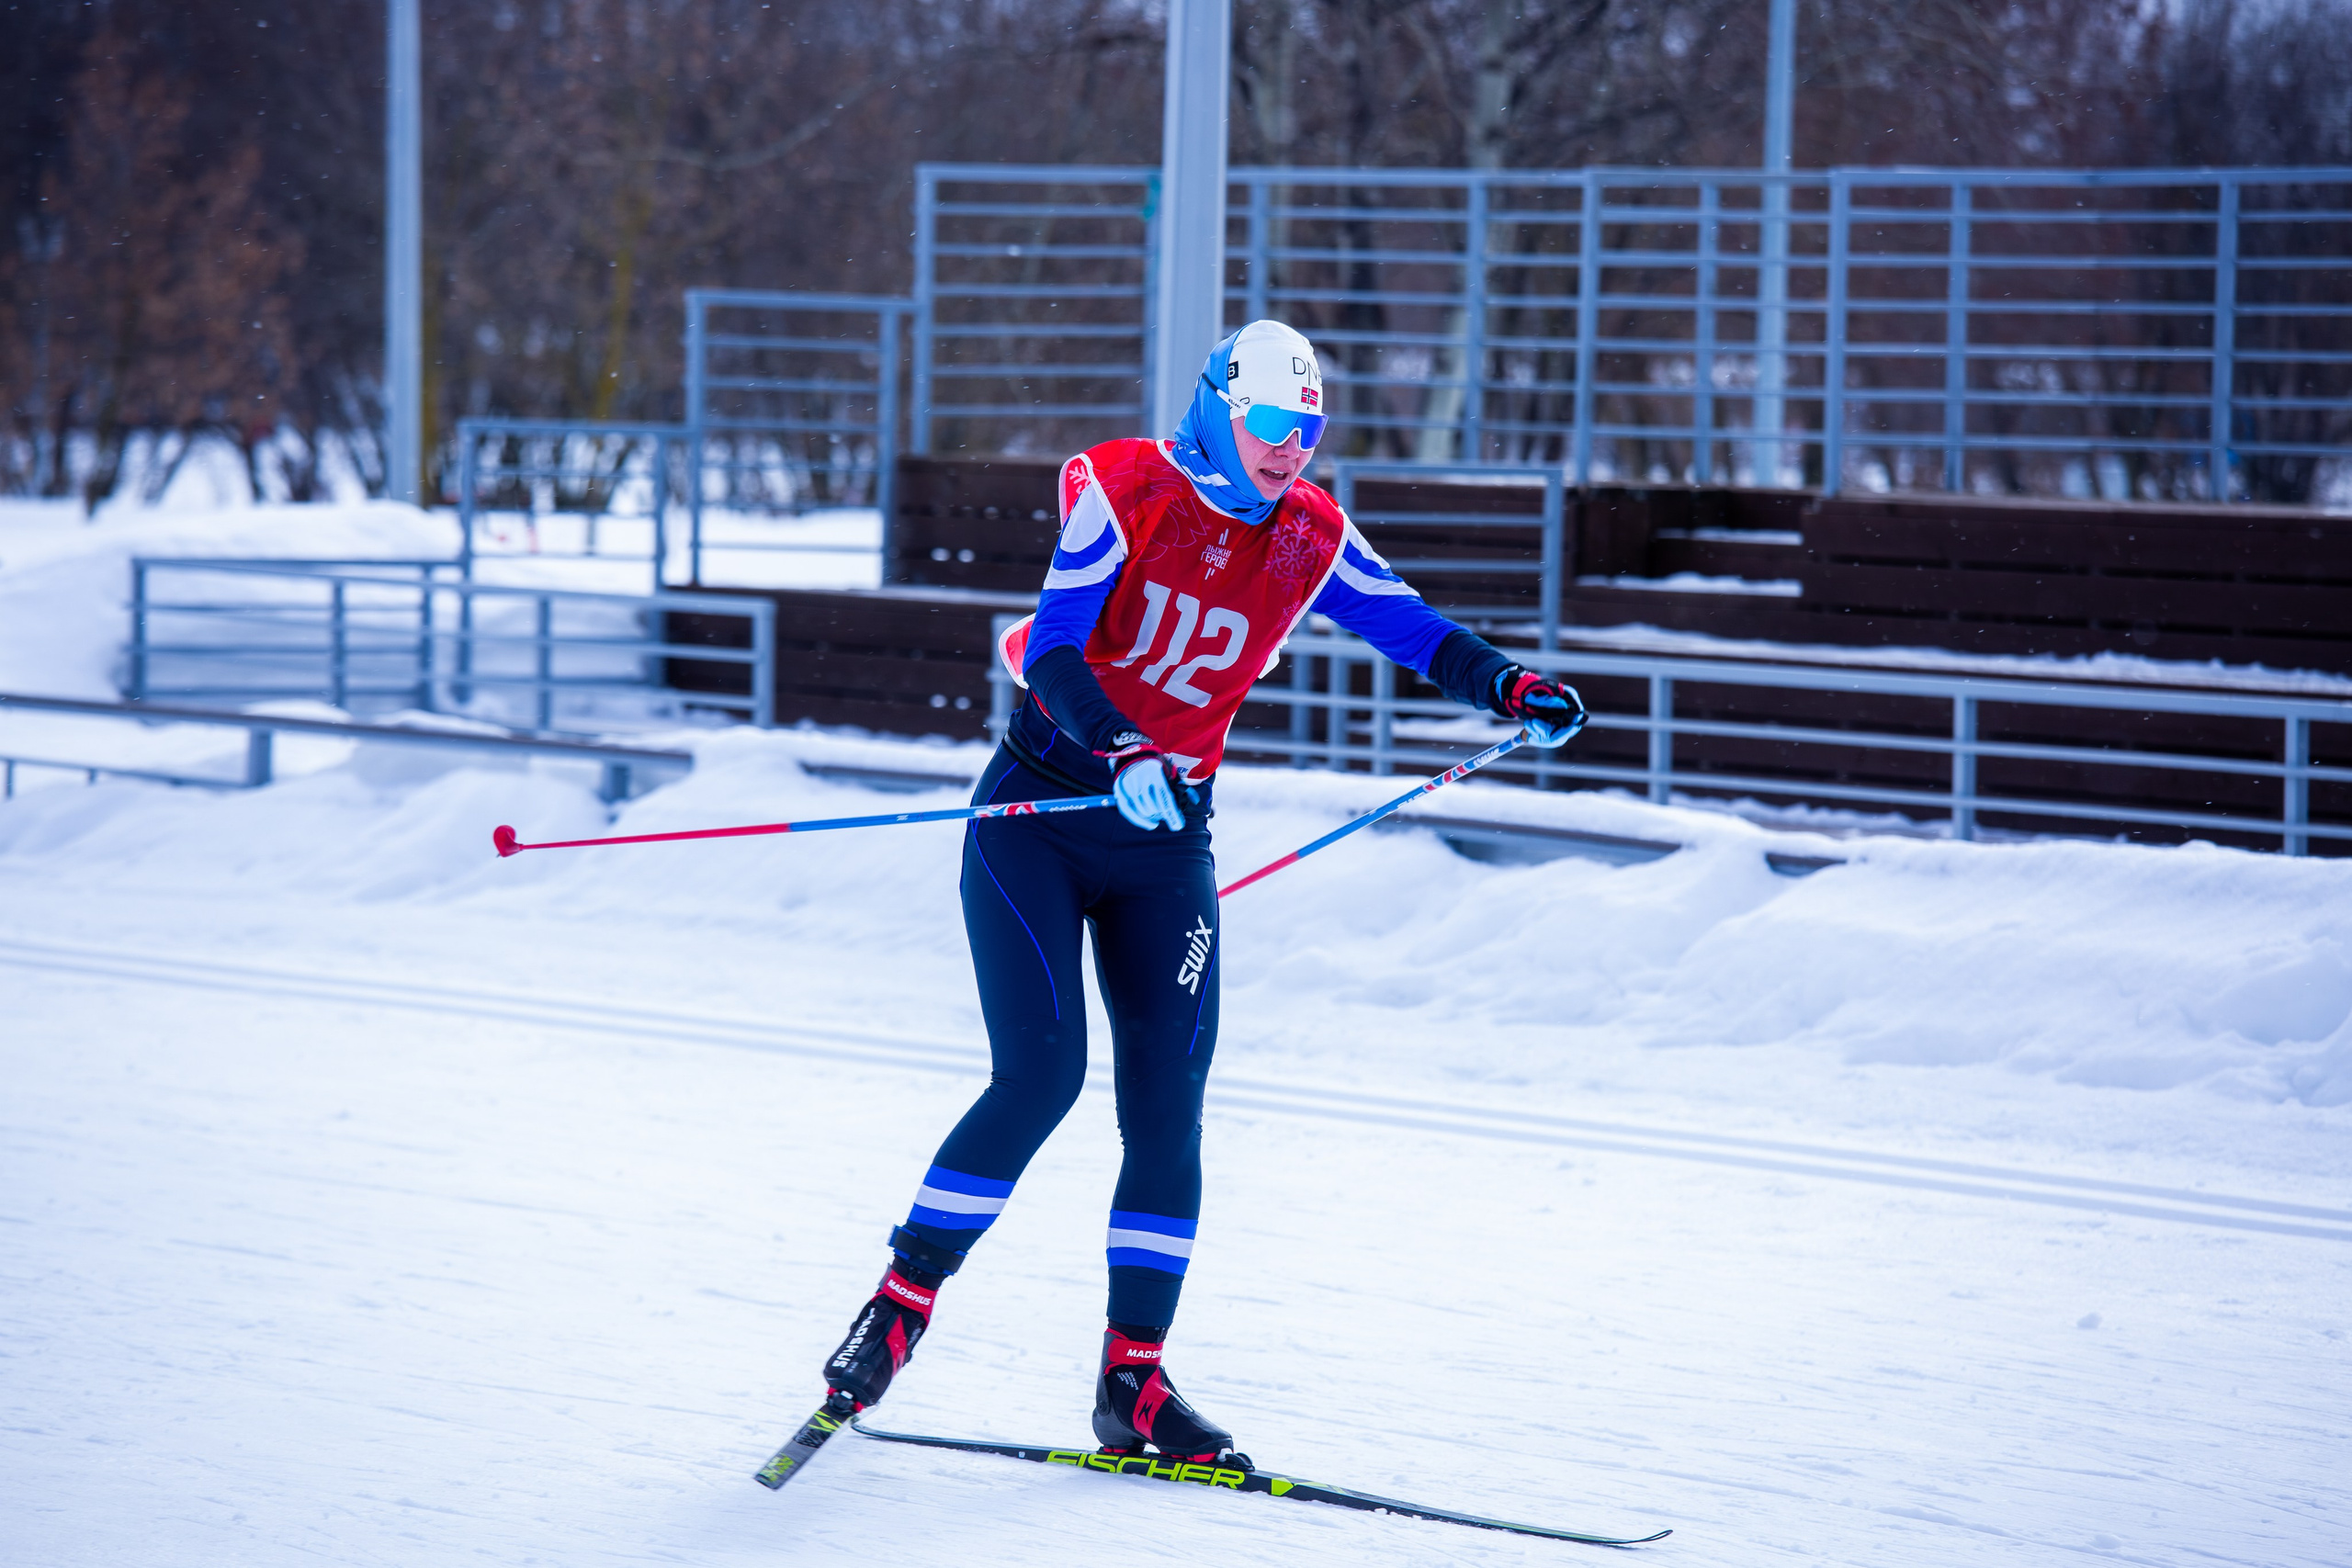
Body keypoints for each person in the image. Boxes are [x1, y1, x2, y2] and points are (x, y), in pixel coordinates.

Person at [818, 320, 1585, 1465]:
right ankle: (901, 1303)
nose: (1289, 452)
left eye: (1308, 432)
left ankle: (1134, 1383)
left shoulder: (1306, 534)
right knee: (1040, 1078)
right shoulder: (1126, 487)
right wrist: (1122, 750)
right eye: (1271, 426)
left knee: (1167, 1109)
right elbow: (1059, 648)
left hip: (1167, 840)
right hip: (1041, 813)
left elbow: (1407, 625)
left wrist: (1506, 682)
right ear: (1219, 408)